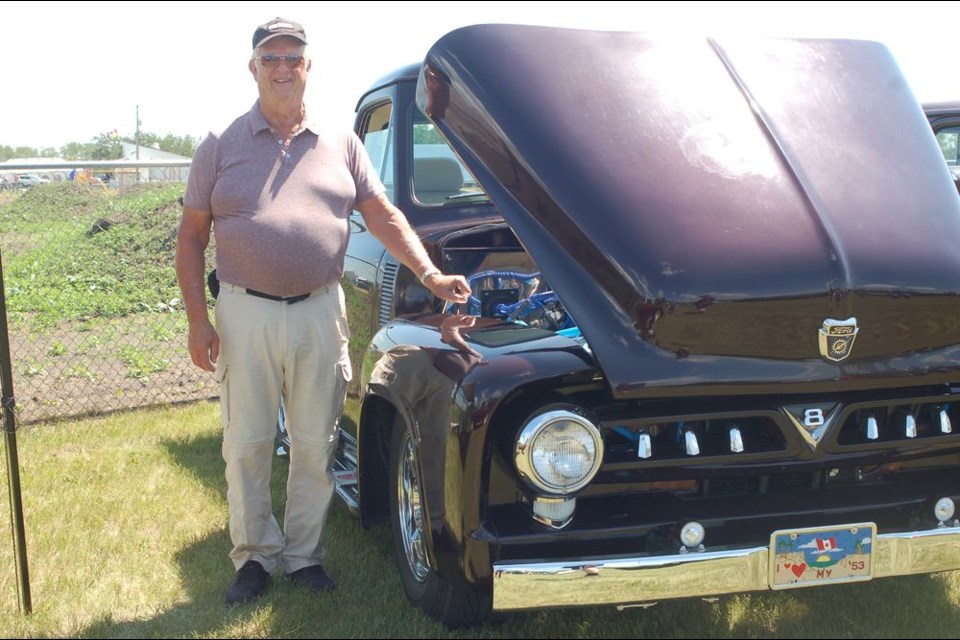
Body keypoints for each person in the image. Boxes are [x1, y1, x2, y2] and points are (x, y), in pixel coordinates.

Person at [174, 16, 471, 606]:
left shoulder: (340, 141)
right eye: (271, 58)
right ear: (252, 67)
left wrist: (429, 273)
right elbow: (190, 238)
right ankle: (255, 557)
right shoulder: (219, 143)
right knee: (249, 443)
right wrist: (198, 321)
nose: (283, 68)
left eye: (294, 58)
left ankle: (303, 557)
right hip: (244, 314)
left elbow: (383, 214)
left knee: (316, 443)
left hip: (318, 311)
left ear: (308, 66)